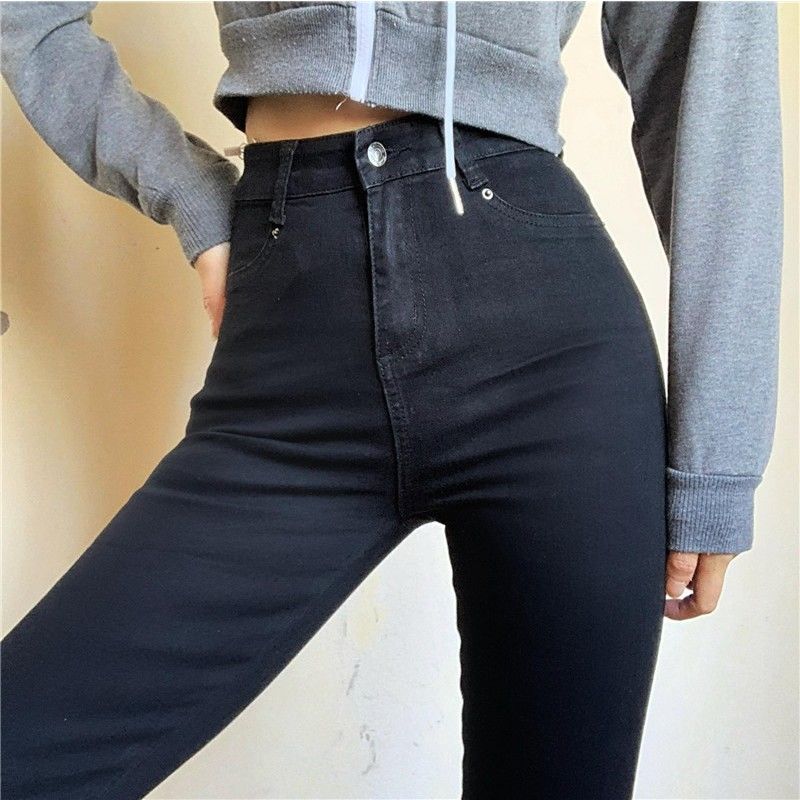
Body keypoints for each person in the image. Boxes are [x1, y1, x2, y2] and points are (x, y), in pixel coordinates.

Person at [0, 2, 783, 799]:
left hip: (549, 348)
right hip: (292, 334)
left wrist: (718, 461)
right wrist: (191, 196)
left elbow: (710, 65)